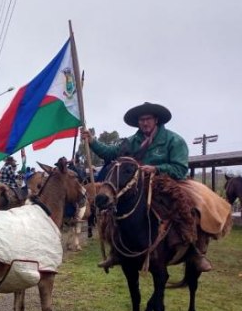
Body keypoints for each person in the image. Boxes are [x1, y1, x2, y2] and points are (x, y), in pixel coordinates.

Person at [81, 101, 211, 272]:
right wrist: (92, 141)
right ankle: (116, 251)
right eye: (141, 119)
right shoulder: (131, 141)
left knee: (188, 206)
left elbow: (180, 168)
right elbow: (111, 153)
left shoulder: (174, 140)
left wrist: (157, 168)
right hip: (136, 184)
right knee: (113, 210)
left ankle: (195, 250)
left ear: (156, 119)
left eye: (148, 118)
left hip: (167, 182)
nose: (144, 122)